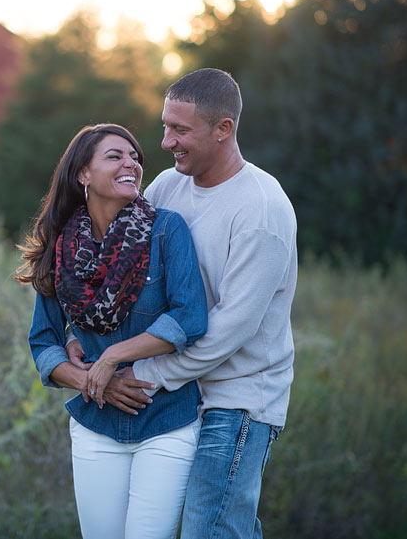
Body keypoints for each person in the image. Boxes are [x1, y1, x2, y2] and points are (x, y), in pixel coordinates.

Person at [68, 69, 298, 539]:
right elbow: (124, 272)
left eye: (180, 129)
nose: (166, 140)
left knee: (211, 529)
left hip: (235, 398)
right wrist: (80, 334)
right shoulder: (167, 188)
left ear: (223, 129)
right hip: (177, 392)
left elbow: (231, 329)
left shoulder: (260, 209)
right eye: (165, 125)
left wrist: (143, 375)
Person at [24, 123, 208, 539]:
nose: (131, 164)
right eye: (115, 156)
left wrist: (111, 357)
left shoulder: (166, 229)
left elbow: (190, 317)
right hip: (95, 423)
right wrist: (96, 383)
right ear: (83, 174)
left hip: (166, 420)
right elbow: (44, 341)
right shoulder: (62, 246)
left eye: (135, 157)